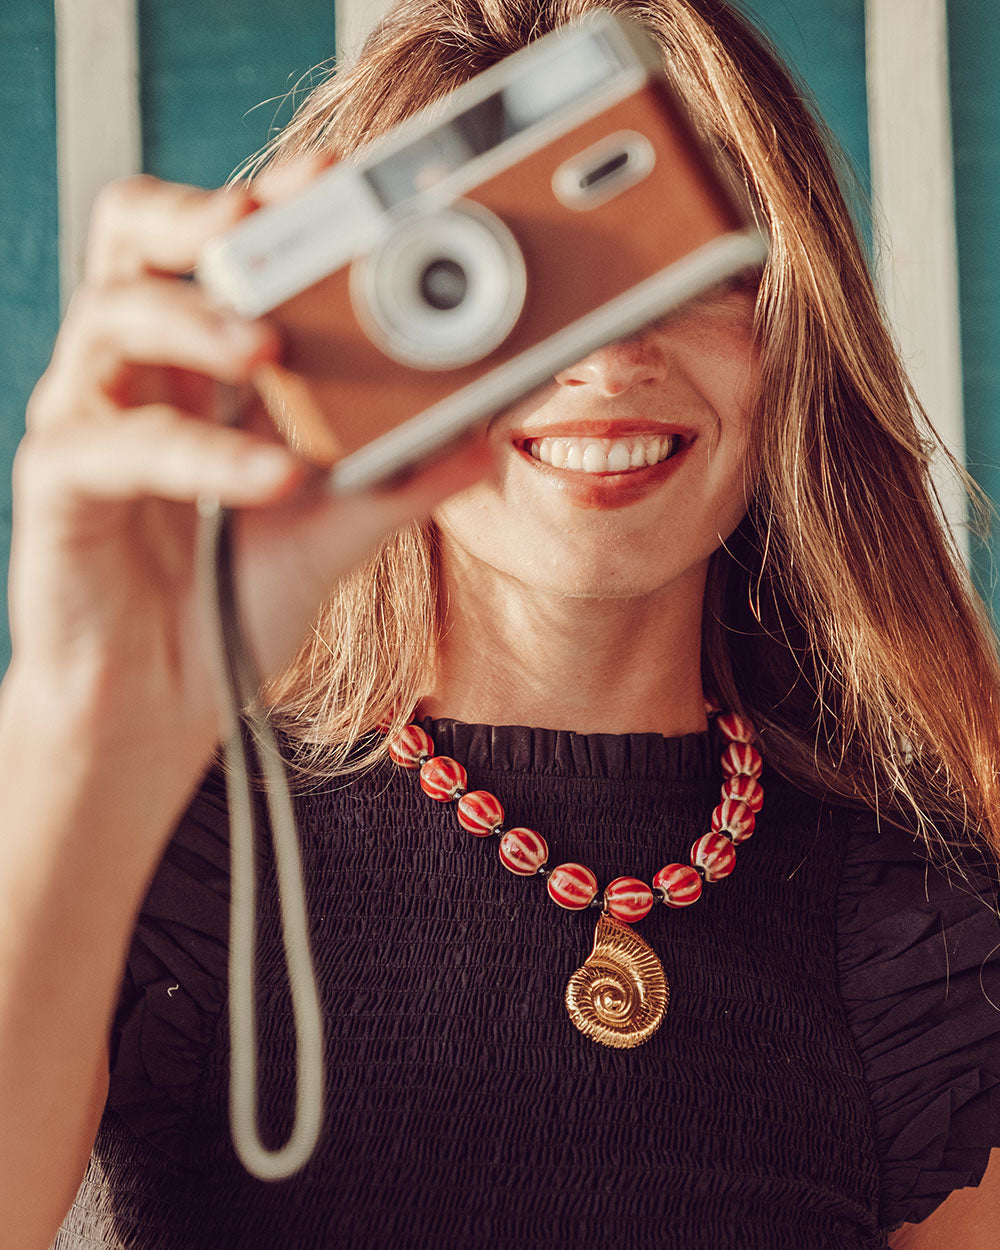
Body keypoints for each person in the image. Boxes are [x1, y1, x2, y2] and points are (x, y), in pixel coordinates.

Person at [3, 0, 1000, 1245]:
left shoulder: (918, 925)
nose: (605, 351)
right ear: (363, 330)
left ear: (789, 335)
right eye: (497, 273)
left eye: (674, 250)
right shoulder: (156, 843)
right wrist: (80, 718)